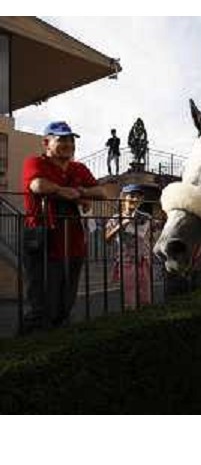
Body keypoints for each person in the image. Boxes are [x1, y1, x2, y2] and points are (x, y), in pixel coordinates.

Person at [22, 121, 106, 332]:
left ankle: (61, 337)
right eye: (62, 139)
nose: (68, 144)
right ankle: (35, 344)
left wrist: (78, 192)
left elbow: (101, 192)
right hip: (43, 241)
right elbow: (37, 185)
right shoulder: (35, 162)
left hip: (74, 243)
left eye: (71, 139)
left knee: (66, 301)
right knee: (41, 303)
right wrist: (63, 191)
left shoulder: (78, 168)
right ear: (46, 143)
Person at [105, 184, 154, 308]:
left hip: (144, 261)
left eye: (139, 197)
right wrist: (123, 223)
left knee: (146, 297)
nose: (136, 200)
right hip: (126, 261)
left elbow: (150, 236)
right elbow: (107, 239)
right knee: (129, 299)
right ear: (123, 198)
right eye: (132, 196)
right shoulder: (115, 219)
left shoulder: (147, 217)